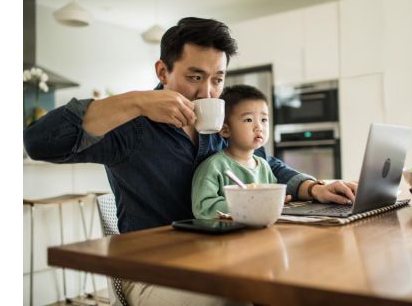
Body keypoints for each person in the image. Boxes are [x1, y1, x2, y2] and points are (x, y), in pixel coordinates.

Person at [23, 17, 357, 305]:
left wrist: (313, 188)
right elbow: (37, 142)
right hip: (151, 271)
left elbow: (264, 163)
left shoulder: (219, 126)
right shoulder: (129, 127)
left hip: (221, 256)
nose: (209, 93)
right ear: (162, 71)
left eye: (218, 79)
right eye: (195, 77)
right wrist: (138, 101)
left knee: (300, 280)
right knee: (234, 297)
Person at [192, 85, 285, 219]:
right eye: (248, 120)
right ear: (225, 130)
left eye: (264, 119)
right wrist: (245, 204)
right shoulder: (214, 167)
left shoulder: (264, 166)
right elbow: (203, 207)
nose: (259, 127)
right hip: (225, 236)